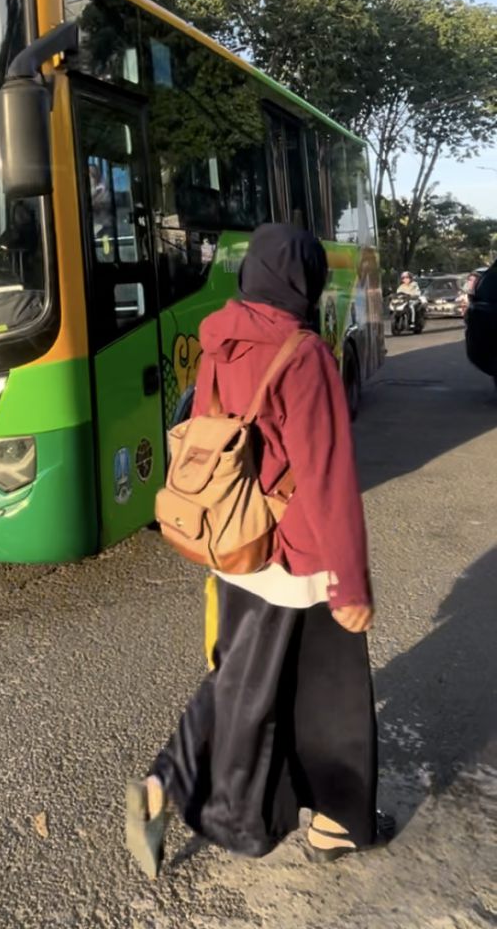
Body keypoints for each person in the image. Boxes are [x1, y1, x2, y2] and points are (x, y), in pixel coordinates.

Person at [126, 223, 388, 875]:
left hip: (232, 541)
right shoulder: (304, 355)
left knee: (241, 676)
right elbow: (325, 474)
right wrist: (350, 581)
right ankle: (335, 820)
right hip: (296, 554)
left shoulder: (219, 340)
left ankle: (164, 781)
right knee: (333, 694)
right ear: (306, 281)